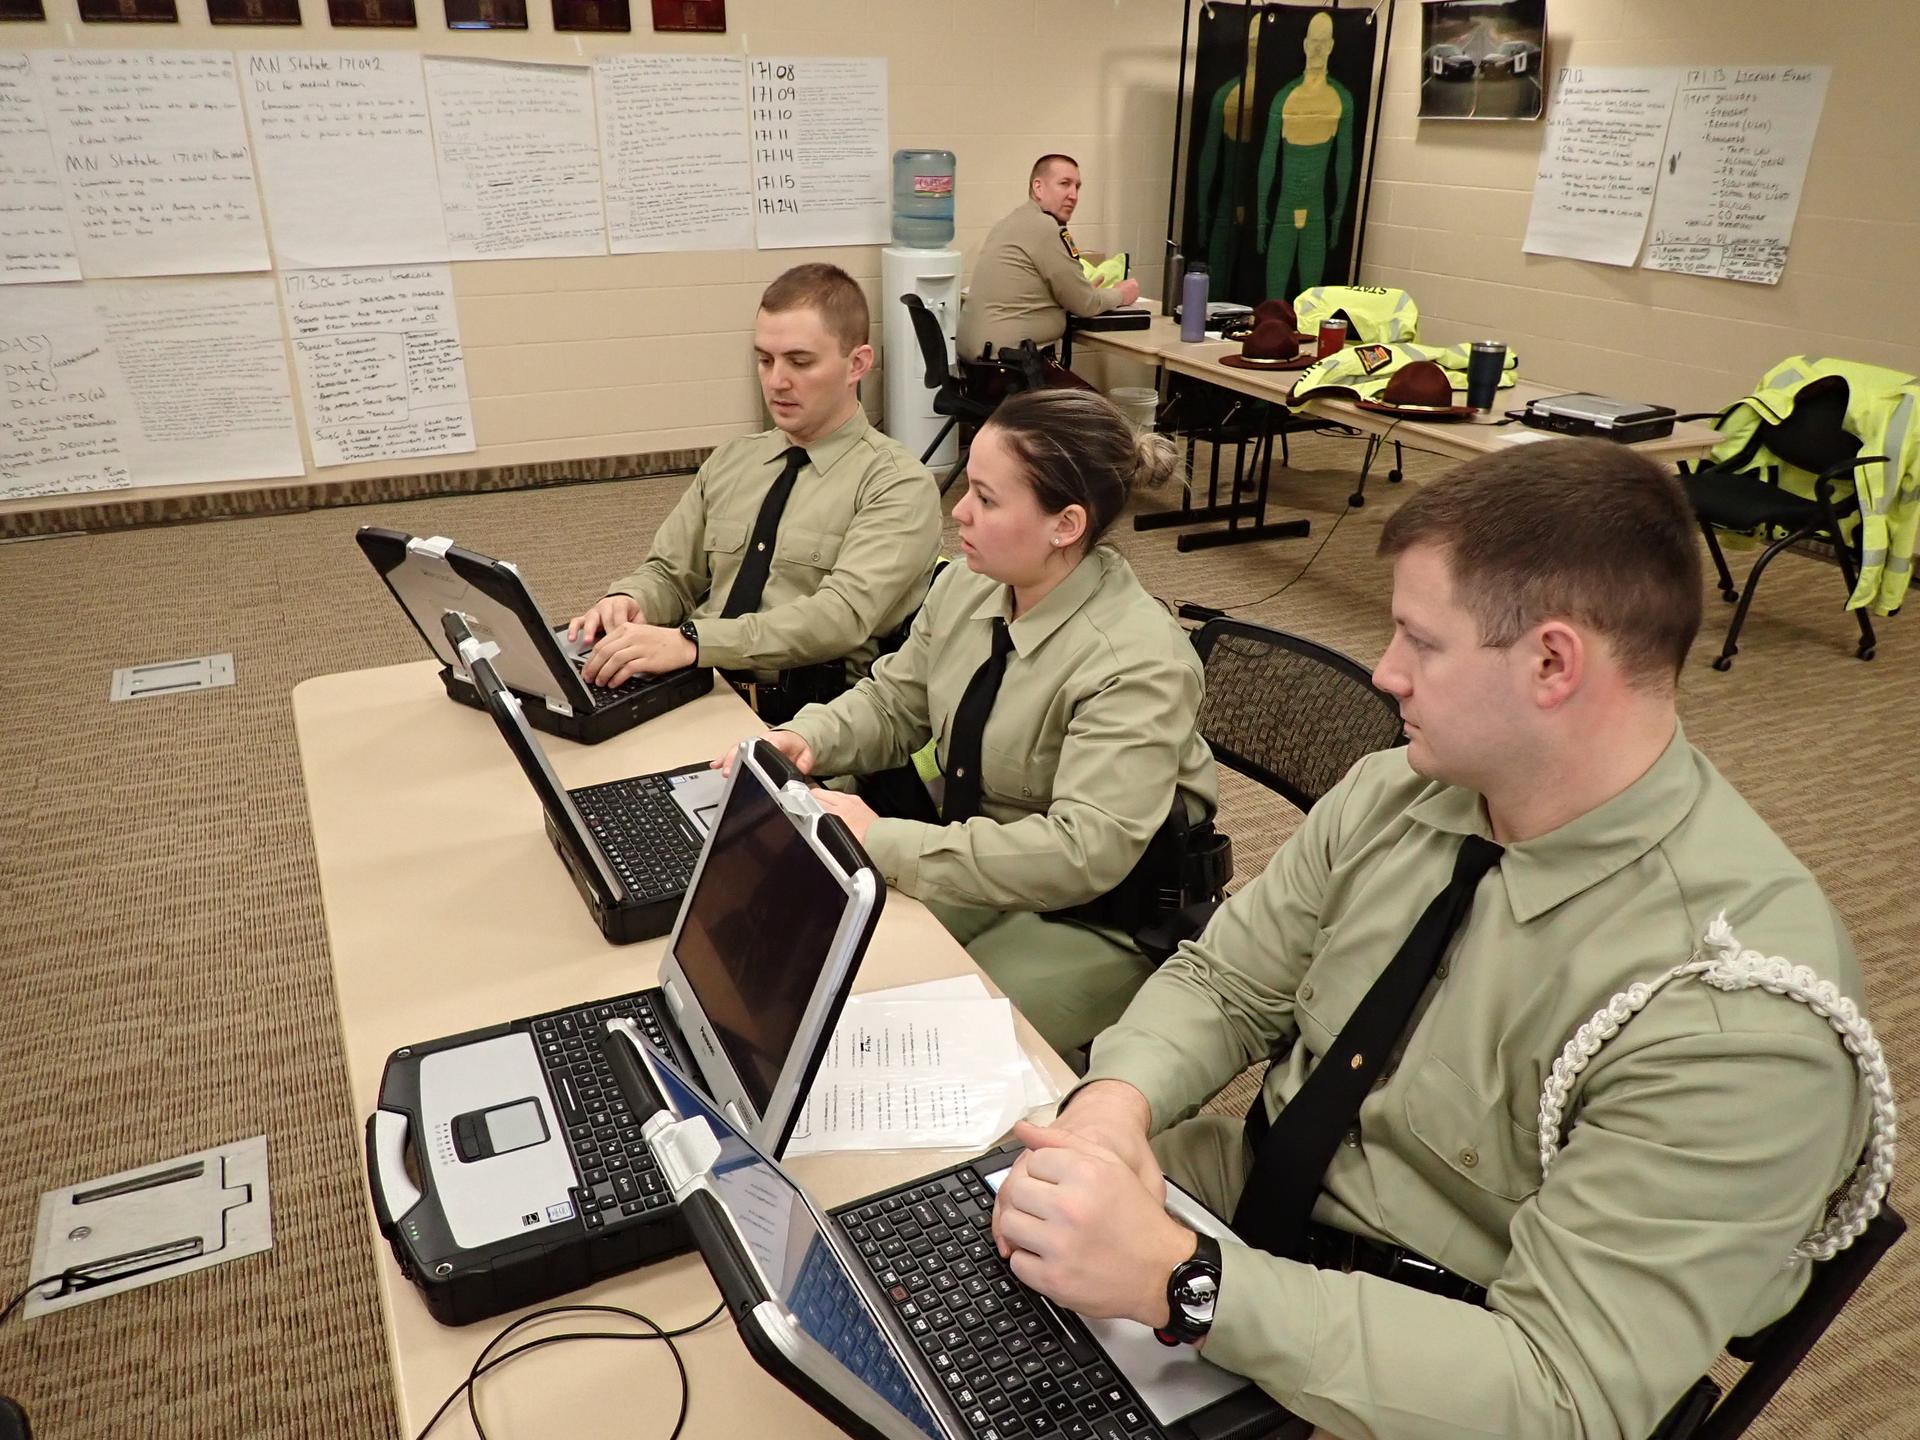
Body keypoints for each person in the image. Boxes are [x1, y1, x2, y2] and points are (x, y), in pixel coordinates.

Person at [990, 438, 1875, 1440]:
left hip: (1442, 1354)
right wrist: (1116, 1106)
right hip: (1257, 1204)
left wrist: (1190, 1287)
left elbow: (1560, 1393)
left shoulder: (1736, 1017)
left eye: (1419, 640)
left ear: (1552, 661)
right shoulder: (1402, 794)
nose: (1385, 671)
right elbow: (1227, 983)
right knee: (956, 1249)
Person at [725, 389, 1224, 1059]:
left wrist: (885, 839)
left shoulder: (1135, 663)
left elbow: (1082, 855)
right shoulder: (971, 584)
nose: (957, 510)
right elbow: (897, 701)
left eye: (987, 499)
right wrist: (806, 737)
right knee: (815, 964)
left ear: (1065, 525)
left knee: (926, 1041)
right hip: (990, 855)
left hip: (1106, 913)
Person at [569, 263, 942, 726]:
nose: (776, 381)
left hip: (810, 720)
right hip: (701, 688)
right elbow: (669, 573)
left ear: (857, 364)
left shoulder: (896, 484)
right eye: (764, 359)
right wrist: (631, 599)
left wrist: (694, 641)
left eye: (800, 362)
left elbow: (840, 618)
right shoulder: (733, 461)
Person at [957, 154, 1142, 366]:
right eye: (1064, 184)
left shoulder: (1011, 222)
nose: (1073, 195)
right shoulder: (1044, 227)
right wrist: (1121, 294)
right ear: (1038, 188)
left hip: (981, 364)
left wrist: (1080, 292)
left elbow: (1059, 294)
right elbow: (1086, 304)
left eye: (1077, 187)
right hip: (1009, 367)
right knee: (1091, 400)